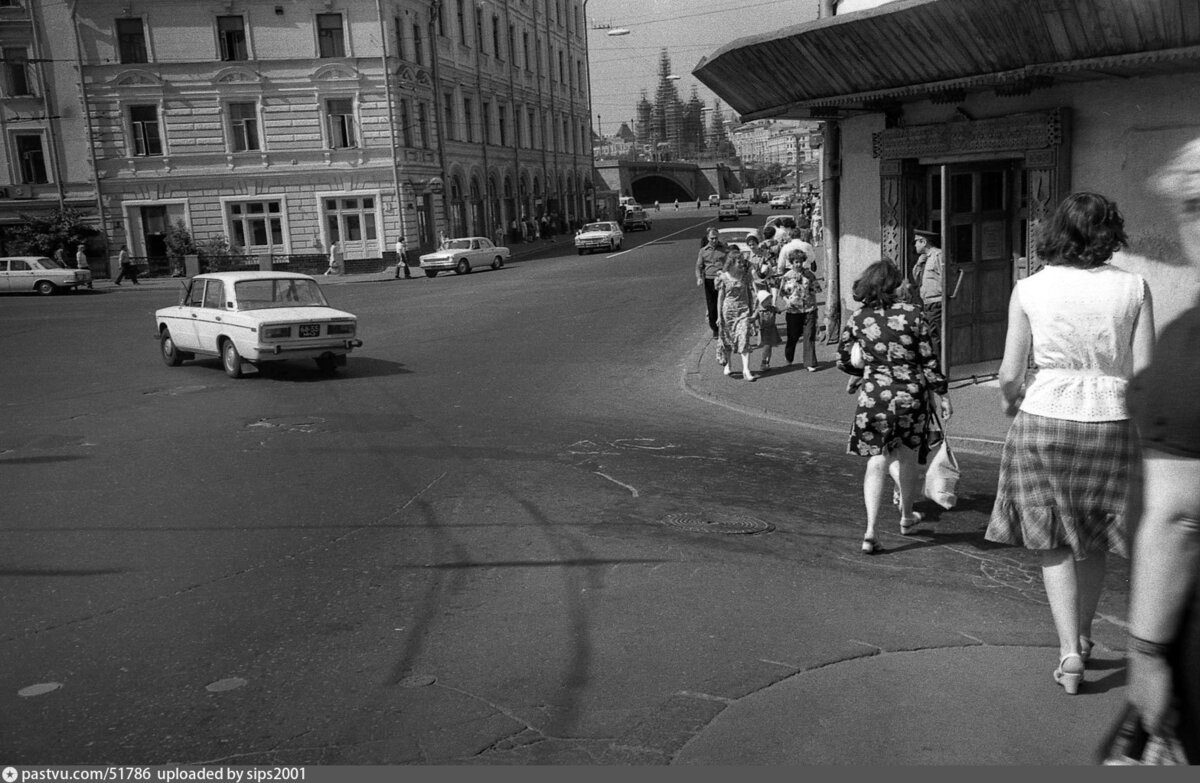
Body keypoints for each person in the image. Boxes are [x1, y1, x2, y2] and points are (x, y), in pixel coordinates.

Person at [985, 192, 1154, 696]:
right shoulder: (1134, 287)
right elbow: (1145, 372)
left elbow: (1010, 373)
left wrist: (1011, 404)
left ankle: (1069, 653)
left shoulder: (1030, 288)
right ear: (1110, 232)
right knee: (1096, 533)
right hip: (1112, 416)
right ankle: (1082, 634)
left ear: (1056, 231)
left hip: (1045, 416)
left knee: (1053, 537)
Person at [1125, 142, 1200, 760]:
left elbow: (1178, 518)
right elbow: (1140, 357)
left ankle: (1071, 648)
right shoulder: (1135, 291)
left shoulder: (1193, 350)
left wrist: (1146, 651)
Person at [836, 260, 950, 555]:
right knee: (907, 456)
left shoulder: (859, 319)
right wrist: (942, 393)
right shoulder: (914, 315)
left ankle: (870, 530)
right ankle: (906, 516)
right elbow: (928, 359)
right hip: (910, 397)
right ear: (893, 285)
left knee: (877, 459)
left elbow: (844, 359)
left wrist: (861, 372)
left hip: (874, 398)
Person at [716, 246, 760, 382]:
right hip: (728, 312)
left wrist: (753, 311)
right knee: (728, 339)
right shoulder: (723, 277)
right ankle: (728, 364)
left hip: (743, 311)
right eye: (739, 262)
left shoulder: (745, 276)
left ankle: (746, 370)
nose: (742, 264)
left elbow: (750, 293)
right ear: (732, 263)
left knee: (744, 337)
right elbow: (720, 298)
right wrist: (718, 316)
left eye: (742, 262)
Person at [779, 248, 821, 371]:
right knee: (793, 336)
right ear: (792, 262)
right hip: (793, 310)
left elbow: (817, 290)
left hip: (809, 308)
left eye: (800, 262)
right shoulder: (787, 276)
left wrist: (812, 286)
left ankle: (809, 363)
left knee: (809, 336)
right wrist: (788, 301)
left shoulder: (809, 275)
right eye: (796, 262)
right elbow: (782, 293)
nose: (798, 264)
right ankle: (789, 356)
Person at [911, 229, 945, 359]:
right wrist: (919, 264)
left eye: (916, 242)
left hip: (937, 301)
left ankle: (941, 365)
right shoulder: (924, 259)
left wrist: (944, 296)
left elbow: (945, 277)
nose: (915, 246)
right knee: (931, 334)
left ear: (923, 242)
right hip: (927, 302)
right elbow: (917, 280)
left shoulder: (938, 255)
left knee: (935, 335)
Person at [695, 228, 726, 339]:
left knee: (723, 303)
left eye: (716, 238)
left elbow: (729, 262)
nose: (714, 240)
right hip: (709, 280)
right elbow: (699, 266)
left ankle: (724, 326)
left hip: (722, 279)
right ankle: (715, 329)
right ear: (708, 238)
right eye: (712, 238)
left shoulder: (724, 249)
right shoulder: (703, 251)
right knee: (712, 305)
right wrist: (699, 278)